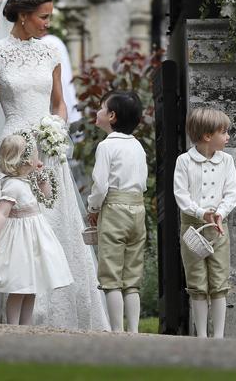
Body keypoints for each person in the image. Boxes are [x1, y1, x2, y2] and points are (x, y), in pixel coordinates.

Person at [0, 0, 109, 330]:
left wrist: (56, 128)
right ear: (22, 15)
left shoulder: (50, 53)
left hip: (47, 151)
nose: (48, 24)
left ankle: (58, 310)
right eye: (43, 17)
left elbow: (60, 103)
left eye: (50, 17)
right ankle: (7, 306)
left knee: (52, 223)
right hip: (12, 150)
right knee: (10, 221)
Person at [0, 132, 73, 325]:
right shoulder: (12, 185)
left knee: (32, 288)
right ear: (24, 161)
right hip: (19, 241)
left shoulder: (27, 181)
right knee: (19, 287)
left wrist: (42, 180)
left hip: (34, 238)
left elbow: (47, 197)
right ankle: (13, 326)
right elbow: (2, 214)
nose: (38, 159)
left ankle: (27, 327)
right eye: (35, 155)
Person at [173, 107, 236, 338]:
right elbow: (181, 195)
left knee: (219, 281)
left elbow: (231, 192)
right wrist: (201, 213)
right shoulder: (184, 161)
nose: (228, 136)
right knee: (197, 281)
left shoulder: (227, 161)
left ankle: (218, 336)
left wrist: (220, 212)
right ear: (207, 136)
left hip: (219, 227)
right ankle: (201, 335)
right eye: (224, 131)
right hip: (192, 226)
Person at [87, 91, 147, 333]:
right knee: (131, 278)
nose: (98, 112)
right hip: (138, 208)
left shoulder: (106, 146)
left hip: (114, 208)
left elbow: (100, 184)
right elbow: (142, 181)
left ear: (111, 116)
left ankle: (116, 331)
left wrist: (93, 207)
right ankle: (133, 330)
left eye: (101, 108)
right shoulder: (138, 146)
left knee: (111, 275)